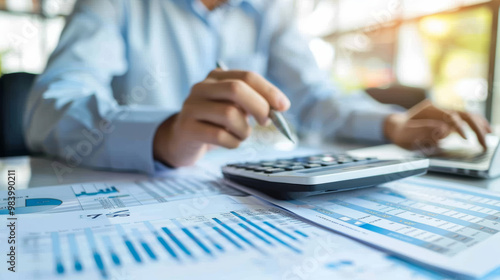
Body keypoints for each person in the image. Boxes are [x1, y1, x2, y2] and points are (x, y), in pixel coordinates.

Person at [24, 0, 491, 174]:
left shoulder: (273, 9)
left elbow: (313, 98)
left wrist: (392, 123)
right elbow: (49, 107)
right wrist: (164, 135)